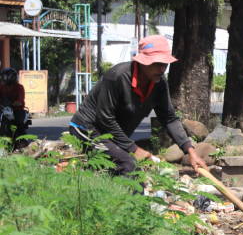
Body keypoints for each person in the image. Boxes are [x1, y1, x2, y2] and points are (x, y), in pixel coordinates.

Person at [69, 35, 207, 175]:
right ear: (142, 62)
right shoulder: (117, 77)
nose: (161, 69)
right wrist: (134, 149)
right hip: (88, 129)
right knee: (128, 164)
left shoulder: (159, 83)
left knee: (118, 167)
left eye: (164, 64)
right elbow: (105, 119)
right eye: (156, 63)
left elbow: (169, 118)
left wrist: (190, 151)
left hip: (113, 136)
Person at [0, 67, 29, 138]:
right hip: (3, 108)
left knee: (19, 122)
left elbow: (20, 100)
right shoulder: (1, 87)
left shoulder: (19, 87)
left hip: (16, 109)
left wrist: (16, 103)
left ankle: (22, 140)